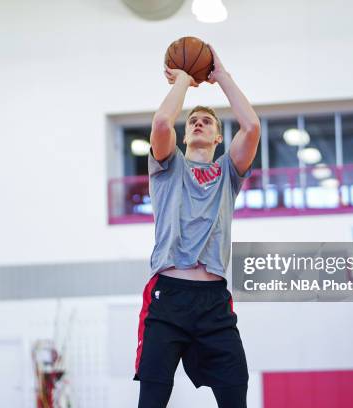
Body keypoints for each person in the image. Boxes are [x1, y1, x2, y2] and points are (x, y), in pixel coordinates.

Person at [133, 45, 260, 408]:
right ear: (185, 136)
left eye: (207, 122)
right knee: (152, 399)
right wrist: (185, 80)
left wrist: (220, 75)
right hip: (168, 297)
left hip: (213, 302)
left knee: (236, 394)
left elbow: (251, 126)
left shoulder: (227, 173)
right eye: (192, 122)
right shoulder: (167, 166)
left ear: (219, 138)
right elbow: (160, 123)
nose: (199, 123)